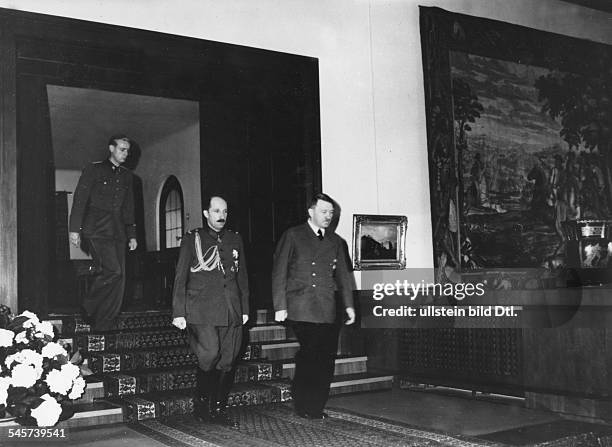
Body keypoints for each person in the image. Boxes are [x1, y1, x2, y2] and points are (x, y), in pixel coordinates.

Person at [272, 193, 355, 420]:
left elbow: (344, 277)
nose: (328, 216)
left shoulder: (336, 242)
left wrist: (349, 305)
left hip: (327, 307)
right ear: (311, 212)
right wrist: (280, 305)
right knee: (310, 353)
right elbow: (279, 271)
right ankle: (302, 401)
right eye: (323, 212)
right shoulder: (293, 235)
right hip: (301, 305)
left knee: (326, 358)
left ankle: (316, 407)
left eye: (331, 213)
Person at [172, 195, 249, 428]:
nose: (221, 216)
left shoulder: (235, 238)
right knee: (210, 354)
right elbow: (180, 277)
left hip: (231, 308)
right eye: (216, 211)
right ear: (206, 214)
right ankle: (202, 404)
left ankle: (217, 409)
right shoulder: (193, 238)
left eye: (224, 211)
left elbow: (242, 275)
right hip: (201, 309)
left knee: (228, 360)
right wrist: (178, 311)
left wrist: (245, 307)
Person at [69, 134, 137, 331]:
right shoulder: (94, 169)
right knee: (113, 271)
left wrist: (132, 234)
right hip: (97, 230)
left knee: (120, 277)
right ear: (111, 149)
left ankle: (105, 321)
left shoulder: (127, 176)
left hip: (118, 232)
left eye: (127, 150)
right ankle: (88, 305)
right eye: (122, 149)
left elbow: (129, 207)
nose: (126, 153)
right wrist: (75, 229)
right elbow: (80, 200)